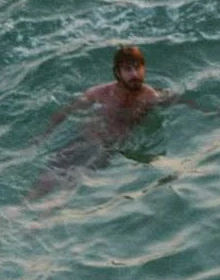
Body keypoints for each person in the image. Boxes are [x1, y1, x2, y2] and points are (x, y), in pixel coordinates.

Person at [30, 45, 188, 199]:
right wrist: (43, 135)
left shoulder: (150, 96)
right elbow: (66, 111)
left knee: (75, 177)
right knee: (52, 171)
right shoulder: (98, 93)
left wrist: (208, 110)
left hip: (107, 148)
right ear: (117, 73)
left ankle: (46, 213)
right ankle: (23, 206)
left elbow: (179, 100)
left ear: (144, 68)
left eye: (137, 67)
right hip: (85, 139)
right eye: (128, 69)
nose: (134, 74)